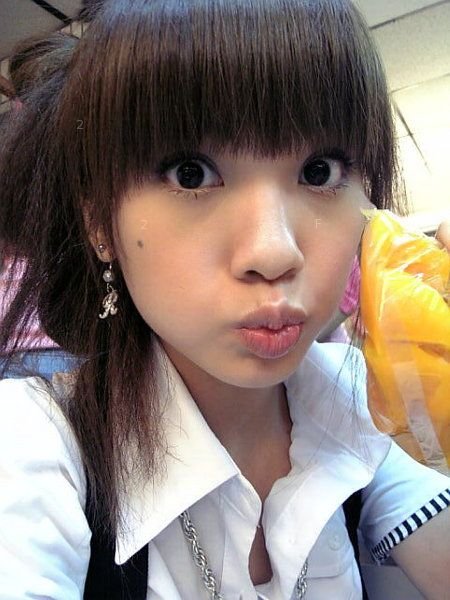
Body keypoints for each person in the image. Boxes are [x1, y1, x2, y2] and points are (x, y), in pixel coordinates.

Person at [0, 1, 449, 599]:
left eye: (318, 172)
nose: (274, 252)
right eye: (191, 174)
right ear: (100, 223)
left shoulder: (361, 397)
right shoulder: (36, 442)